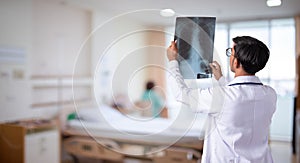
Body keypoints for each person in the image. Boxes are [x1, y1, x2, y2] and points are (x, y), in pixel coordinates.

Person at [167, 36, 277, 163]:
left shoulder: (221, 97)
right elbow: (239, 99)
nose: (229, 56)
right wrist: (220, 79)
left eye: (231, 52)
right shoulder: (270, 95)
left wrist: (172, 61)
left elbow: (181, 94)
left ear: (236, 62)